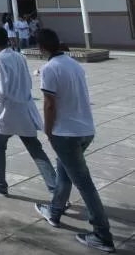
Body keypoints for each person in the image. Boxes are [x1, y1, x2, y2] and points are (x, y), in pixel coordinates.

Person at [34, 29, 115, 253]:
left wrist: (48, 130)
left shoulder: (49, 69)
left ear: (41, 48)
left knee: (84, 183)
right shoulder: (73, 64)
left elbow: (49, 104)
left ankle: (102, 234)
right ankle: (54, 211)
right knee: (64, 172)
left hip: (66, 133)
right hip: (85, 129)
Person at [0, 25, 56, 198]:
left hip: (8, 110)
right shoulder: (18, 56)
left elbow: (3, 90)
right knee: (36, 150)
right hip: (24, 109)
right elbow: (27, 82)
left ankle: (0, 184)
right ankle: (56, 189)